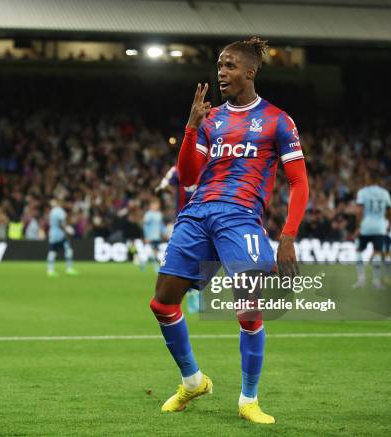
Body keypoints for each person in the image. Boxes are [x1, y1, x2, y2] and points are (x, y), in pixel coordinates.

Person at [149, 37, 308, 424]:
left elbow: (299, 183)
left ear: (250, 72)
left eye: (230, 65)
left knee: (249, 310)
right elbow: (188, 177)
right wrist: (191, 127)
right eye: (219, 65)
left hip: (240, 217)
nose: (221, 72)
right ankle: (192, 381)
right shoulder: (212, 119)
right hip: (198, 211)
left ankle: (248, 399)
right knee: (162, 303)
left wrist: (287, 236)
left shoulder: (277, 120)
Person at [156, 166, 200, 313]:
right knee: (183, 260)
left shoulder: (213, 164)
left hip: (206, 220)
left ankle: (195, 289)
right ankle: (191, 291)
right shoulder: (179, 169)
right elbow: (164, 184)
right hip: (185, 221)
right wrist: (164, 189)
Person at [353, 173, 391, 289]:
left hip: (366, 226)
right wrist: (389, 223)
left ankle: (361, 280)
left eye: (366, 178)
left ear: (370, 179)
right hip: (380, 227)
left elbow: (359, 211)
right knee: (377, 252)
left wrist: (358, 227)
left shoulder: (362, 192)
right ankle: (376, 282)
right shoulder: (385, 193)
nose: (365, 180)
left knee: (359, 251)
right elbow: (390, 210)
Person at [46, 199, 78, 277]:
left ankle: (50, 270)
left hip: (53, 234)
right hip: (60, 235)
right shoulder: (60, 211)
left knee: (53, 251)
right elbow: (60, 223)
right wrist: (67, 229)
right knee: (68, 250)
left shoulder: (52, 211)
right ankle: (69, 269)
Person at [142, 199, 165, 272]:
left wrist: (164, 232)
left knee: (155, 251)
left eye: (157, 205)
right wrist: (146, 236)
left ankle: (142, 263)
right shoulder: (148, 214)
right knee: (152, 251)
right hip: (150, 236)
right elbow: (145, 225)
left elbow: (160, 225)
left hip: (157, 236)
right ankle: (155, 266)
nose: (156, 206)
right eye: (154, 205)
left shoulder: (159, 214)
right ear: (151, 206)